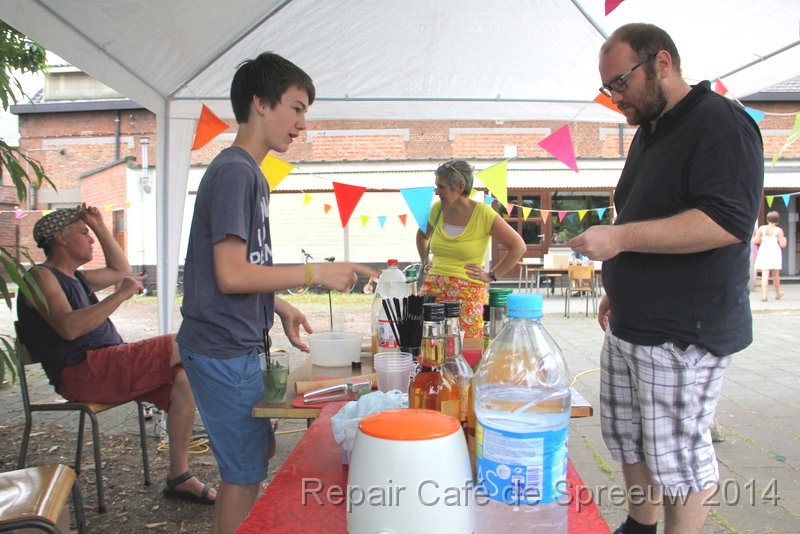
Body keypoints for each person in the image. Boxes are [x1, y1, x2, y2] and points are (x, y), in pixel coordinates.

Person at [568, 23, 763, 534]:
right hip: (634, 320)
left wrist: (621, 241)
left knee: (677, 460)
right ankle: (639, 524)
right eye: (607, 89)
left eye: (620, 83)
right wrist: (617, 289)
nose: (615, 99)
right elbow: (639, 209)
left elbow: (726, 222)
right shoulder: (651, 130)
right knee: (627, 437)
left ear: (662, 63)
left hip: (684, 330)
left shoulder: (722, 124)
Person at [176, 52, 375, 534]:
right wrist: (315, 273)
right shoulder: (236, 172)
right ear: (260, 103)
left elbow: (243, 270)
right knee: (242, 477)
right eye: (297, 107)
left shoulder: (252, 175)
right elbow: (230, 274)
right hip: (223, 349)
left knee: (255, 457)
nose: (302, 124)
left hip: (239, 344)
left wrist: (277, 304)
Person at [16, 204, 216, 505]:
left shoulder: (77, 277)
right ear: (60, 238)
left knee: (184, 381)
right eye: (84, 233)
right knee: (183, 342)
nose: (91, 240)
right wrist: (119, 295)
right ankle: (248, 410)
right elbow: (69, 329)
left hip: (106, 365)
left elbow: (122, 271)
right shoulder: (42, 276)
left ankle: (179, 477)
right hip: (82, 372)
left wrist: (98, 224)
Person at [416, 159, 526, 338]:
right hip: (432, 291)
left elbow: (518, 247)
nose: (436, 192)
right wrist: (425, 261)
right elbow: (422, 236)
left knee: (468, 349)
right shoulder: (438, 209)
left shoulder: (483, 213)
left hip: (468, 294)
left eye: (441, 187)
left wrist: (491, 275)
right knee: (429, 347)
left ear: (459, 187)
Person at [753, 211, 787, 301]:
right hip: (774, 251)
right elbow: (782, 244)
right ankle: (777, 293)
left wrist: (762, 241)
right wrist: (785, 240)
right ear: (777, 220)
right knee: (776, 273)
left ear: (767, 219)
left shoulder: (761, 229)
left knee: (765, 273)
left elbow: (755, 241)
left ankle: (764, 295)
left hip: (764, 250)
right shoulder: (779, 230)